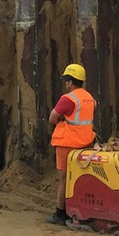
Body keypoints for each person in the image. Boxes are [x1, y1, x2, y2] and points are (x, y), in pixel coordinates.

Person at [46, 63, 96, 225]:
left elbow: (52, 118)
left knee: (64, 180)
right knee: (81, 178)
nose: (66, 84)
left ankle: (60, 213)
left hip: (68, 144)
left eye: (66, 81)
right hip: (86, 143)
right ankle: (81, 208)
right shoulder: (89, 98)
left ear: (70, 81)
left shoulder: (68, 99)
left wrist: (61, 119)